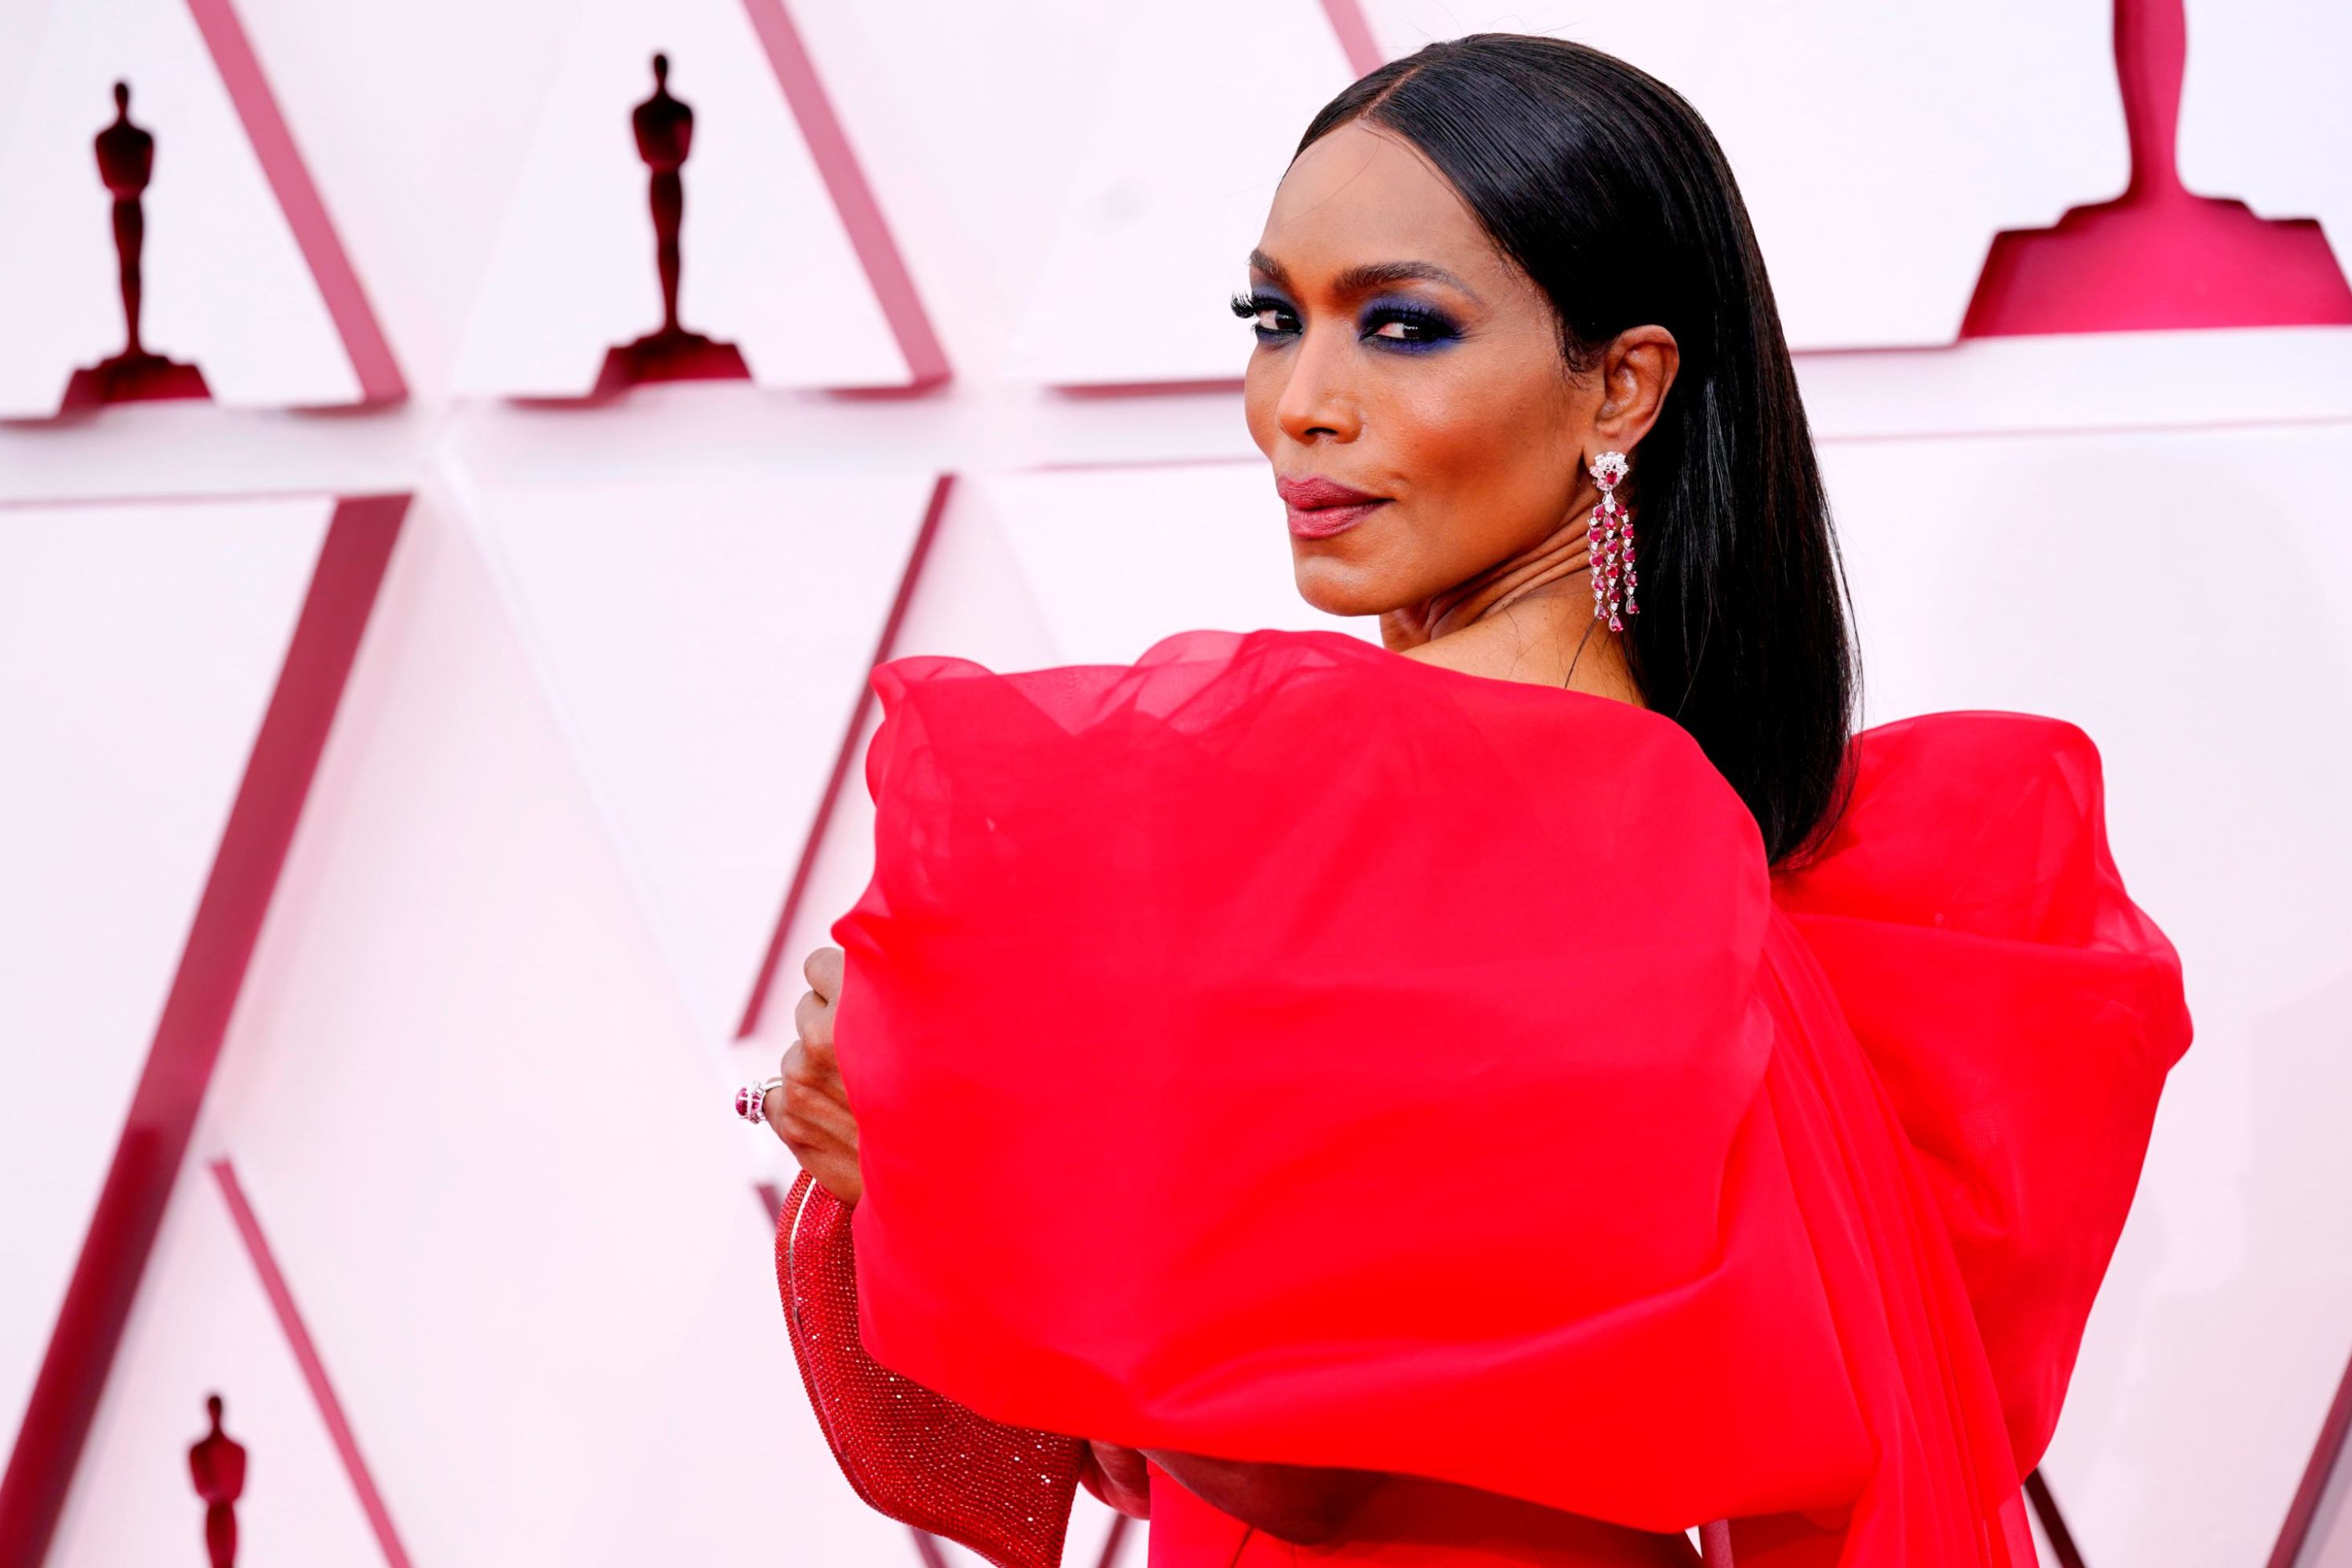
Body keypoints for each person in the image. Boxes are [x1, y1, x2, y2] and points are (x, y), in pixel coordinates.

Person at [753, 34, 2189, 1568]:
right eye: (1273, 319)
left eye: (1401, 328)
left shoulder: (1552, 847)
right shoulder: (1609, 827)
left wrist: (954, 1177)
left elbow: (1321, 1464)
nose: (1301, 403)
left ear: (1622, 386)